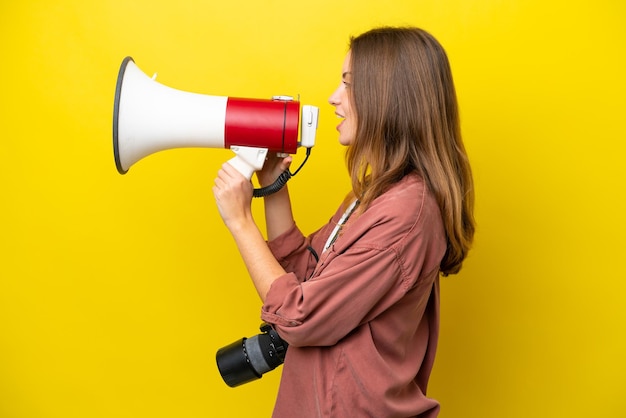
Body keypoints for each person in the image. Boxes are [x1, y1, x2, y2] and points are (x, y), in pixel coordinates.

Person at [212, 26, 475, 418]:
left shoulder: (406, 214)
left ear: (389, 97)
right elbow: (306, 277)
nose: (334, 98)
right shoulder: (375, 194)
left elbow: (299, 316)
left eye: (349, 85)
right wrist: (273, 184)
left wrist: (240, 221)